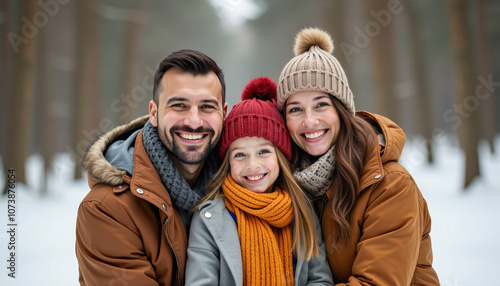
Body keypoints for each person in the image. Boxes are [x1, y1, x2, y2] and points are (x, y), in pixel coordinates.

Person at [276, 28, 440, 285]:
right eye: (296, 109)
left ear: (342, 110)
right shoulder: (290, 183)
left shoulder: (390, 185)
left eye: (321, 104)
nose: (310, 121)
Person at [75, 49, 228, 285]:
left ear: (223, 114)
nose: (194, 121)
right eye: (179, 105)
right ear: (154, 113)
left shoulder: (245, 186)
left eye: (207, 107)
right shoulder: (107, 209)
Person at [185, 77, 334, 286]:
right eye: (240, 155)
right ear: (227, 162)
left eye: (263, 151)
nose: (252, 165)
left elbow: (320, 279)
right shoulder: (210, 219)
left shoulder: (302, 212)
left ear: (280, 157)